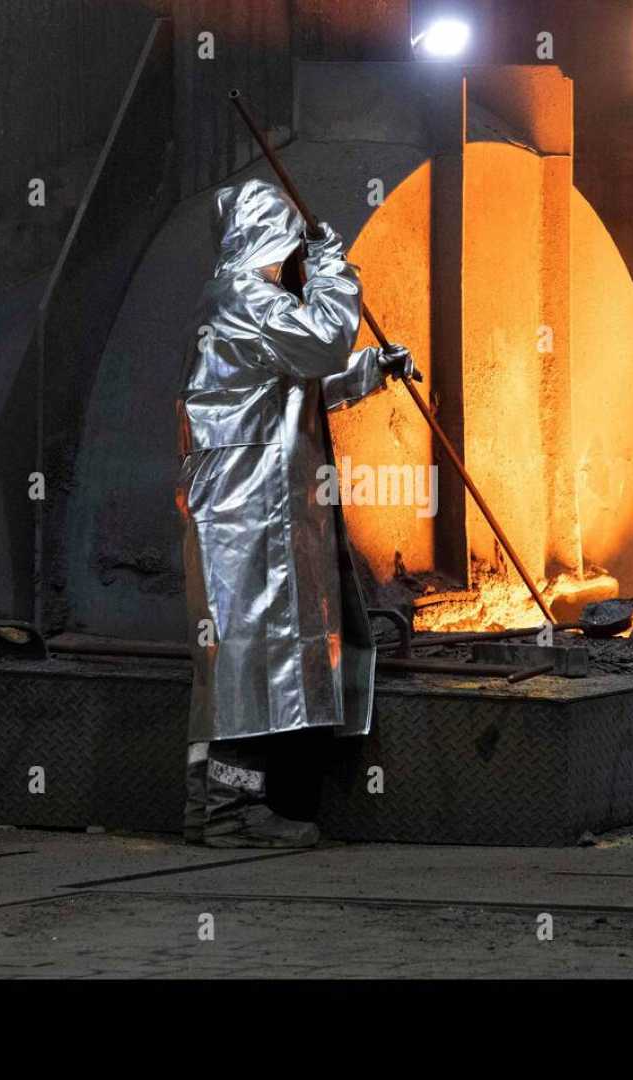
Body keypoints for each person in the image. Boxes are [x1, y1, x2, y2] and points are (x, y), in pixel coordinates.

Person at [175, 178, 417, 848]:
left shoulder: (238, 304)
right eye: (289, 250)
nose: (294, 264)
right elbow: (324, 341)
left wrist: (376, 369)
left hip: (244, 503)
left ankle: (210, 806)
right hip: (243, 510)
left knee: (236, 659)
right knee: (246, 660)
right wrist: (336, 265)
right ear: (268, 241)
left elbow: (300, 379)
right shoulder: (245, 297)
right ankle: (234, 815)